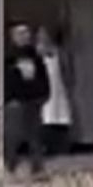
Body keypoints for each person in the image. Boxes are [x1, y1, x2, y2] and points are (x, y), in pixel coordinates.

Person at [5, 23, 50, 179]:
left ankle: (38, 168)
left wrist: (45, 94)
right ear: (13, 37)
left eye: (26, 33)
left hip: (34, 100)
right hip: (15, 101)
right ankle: (10, 165)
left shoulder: (35, 56)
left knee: (35, 135)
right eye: (20, 33)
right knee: (14, 135)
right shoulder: (8, 57)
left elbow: (43, 76)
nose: (24, 36)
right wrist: (9, 98)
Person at [36, 27, 72, 156]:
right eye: (40, 37)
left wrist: (68, 83)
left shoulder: (58, 53)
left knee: (60, 116)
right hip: (44, 89)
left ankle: (61, 146)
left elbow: (66, 71)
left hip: (58, 88)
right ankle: (46, 146)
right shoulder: (37, 54)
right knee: (46, 116)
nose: (43, 39)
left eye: (45, 36)